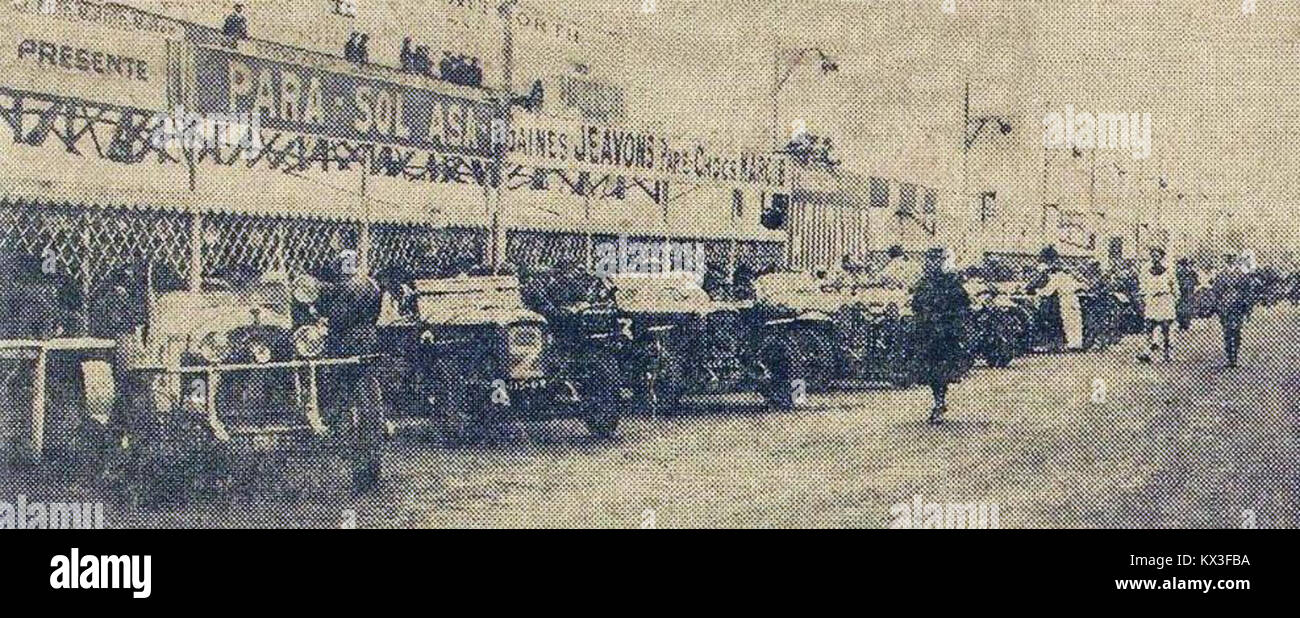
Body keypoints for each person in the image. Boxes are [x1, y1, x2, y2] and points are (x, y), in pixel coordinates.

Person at [911, 247, 973, 425]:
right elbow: (916, 304)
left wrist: (955, 325)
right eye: (929, 261)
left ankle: (939, 402)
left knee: (942, 368)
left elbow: (963, 306)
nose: (930, 264)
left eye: (935, 261)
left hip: (946, 333)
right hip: (928, 331)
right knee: (930, 369)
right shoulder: (924, 283)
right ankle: (938, 400)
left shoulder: (952, 283)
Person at [1209, 252, 1258, 368]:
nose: (1230, 261)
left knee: (1236, 331)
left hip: (1238, 307)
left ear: (1235, 260)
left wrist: (1247, 309)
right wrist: (1217, 307)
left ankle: (1234, 355)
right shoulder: (1221, 275)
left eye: (1232, 258)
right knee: (1227, 332)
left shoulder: (1241, 275)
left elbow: (1247, 293)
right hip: (1225, 308)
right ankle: (1229, 356)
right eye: (1228, 259)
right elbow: (1216, 293)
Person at [1032, 249, 1086, 351]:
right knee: (1076, 321)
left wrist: (1037, 291)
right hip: (1074, 299)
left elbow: (1047, 291)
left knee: (1068, 322)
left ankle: (1072, 345)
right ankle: (1077, 344)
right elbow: (1081, 285)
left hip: (1065, 300)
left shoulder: (1056, 278)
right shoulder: (1067, 276)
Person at [1137, 247, 1179, 363]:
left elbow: (1174, 286)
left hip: (1165, 300)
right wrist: (1143, 298)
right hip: (1152, 300)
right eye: (1153, 255)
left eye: (1157, 255)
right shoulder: (1146, 270)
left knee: (1166, 327)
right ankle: (1147, 353)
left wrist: (1173, 300)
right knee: (1149, 327)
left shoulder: (1168, 270)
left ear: (1161, 256)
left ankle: (1167, 354)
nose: (1155, 257)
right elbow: (1142, 286)